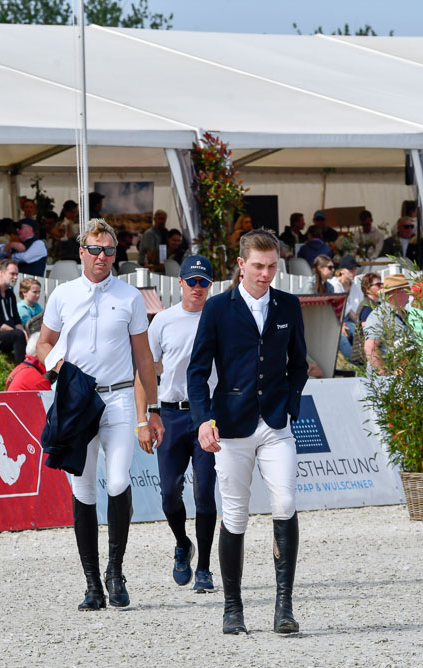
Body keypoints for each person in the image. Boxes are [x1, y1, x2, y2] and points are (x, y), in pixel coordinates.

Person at [37, 218, 164, 612]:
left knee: (119, 481)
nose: (102, 257)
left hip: (120, 399)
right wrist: (60, 368)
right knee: (83, 488)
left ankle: (115, 570)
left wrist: (152, 410)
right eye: (95, 249)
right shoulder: (63, 295)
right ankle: (92, 583)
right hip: (77, 401)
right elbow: (43, 344)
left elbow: (144, 358)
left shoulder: (129, 297)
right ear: (81, 252)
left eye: (109, 250)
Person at [187, 229, 308, 636]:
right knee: (235, 513)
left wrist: (290, 405)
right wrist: (203, 419)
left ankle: (284, 606)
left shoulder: (288, 305)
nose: (265, 273)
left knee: (285, 501)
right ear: (241, 264)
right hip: (232, 425)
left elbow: (299, 365)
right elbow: (198, 370)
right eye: (258, 266)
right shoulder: (218, 308)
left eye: (272, 266)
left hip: (276, 423)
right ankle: (232, 607)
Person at [134, 255, 218, 593]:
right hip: (170, 413)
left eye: (204, 282)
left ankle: (205, 567)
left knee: (204, 493)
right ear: (180, 283)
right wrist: (143, 418)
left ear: (210, 286)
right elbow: (145, 371)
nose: (197, 288)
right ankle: (183, 543)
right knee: (169, 493)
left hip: (207, 414)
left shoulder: (219, 319)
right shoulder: (164, 321)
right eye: (192, 281)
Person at [364, 274, 411, 373]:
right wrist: (384, 373)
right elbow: (370, 347)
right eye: (407, 290)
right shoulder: (379, 316)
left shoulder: (405, 314)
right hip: (386, 382)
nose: (410, 293)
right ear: (395, 292)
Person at [351, 272, 383, 365]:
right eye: (378, 284)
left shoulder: (374, 304)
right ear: (367, 288)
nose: (381, 286)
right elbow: (368, 332)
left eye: (381, 283)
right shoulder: (367, 306)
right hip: (363, 358)